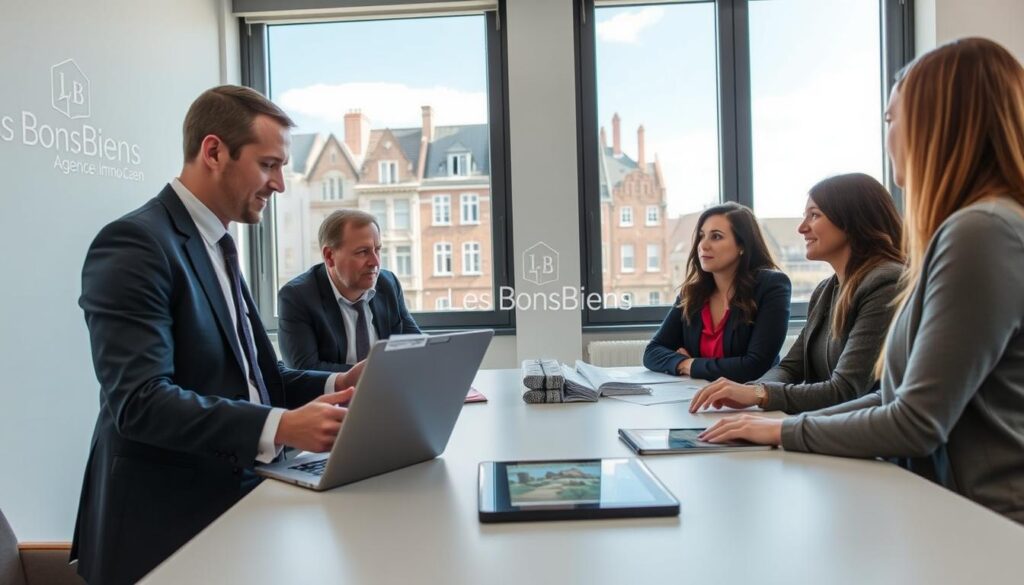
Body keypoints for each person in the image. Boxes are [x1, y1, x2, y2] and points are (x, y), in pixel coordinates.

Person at [700, 38, 1024, 525]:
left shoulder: (981, 231)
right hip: (946, 509)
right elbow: (893, 398)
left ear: (938, 121)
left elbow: (914, 423)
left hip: (984, 526)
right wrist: (771, 421)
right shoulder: (974, 229)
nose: (888, 134)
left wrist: (779, 429)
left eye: (892, 120)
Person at [71, 86, 364, 584]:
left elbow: (256, 379)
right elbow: (141, 402)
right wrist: (282, 426)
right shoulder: (135, 244)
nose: (279, 184)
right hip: (164, 526)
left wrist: (337, 385)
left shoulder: (219, 244)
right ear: (213, 152)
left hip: (239, 500)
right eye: (268, 165)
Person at [690, 173, 904, 414]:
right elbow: (791, 367)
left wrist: (759, 395)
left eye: (814, 215)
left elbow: (845, 390)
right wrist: (751, 391)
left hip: (864, 438)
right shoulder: (826, 290)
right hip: (826, 425)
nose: (802, 228)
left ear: (852, 219)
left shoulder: (886, 283)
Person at [643, 202, 791, 382]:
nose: (703, 245)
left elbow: (755, 366)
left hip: (752, 401)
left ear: (742, 245)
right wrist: (684, 364)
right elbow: (652, 352)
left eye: (716, 237)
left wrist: (691, 364)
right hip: (696, 396)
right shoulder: (692, 293)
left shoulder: (771, 286)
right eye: (701, 236)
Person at [278, 209, 421, 372]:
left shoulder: (388, 284)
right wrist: (377, 373)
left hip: (388, 391)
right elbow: (304, 371)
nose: (375, 262)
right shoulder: (297, 297)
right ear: (330, 256)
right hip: (330, 396)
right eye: (363, 252)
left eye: (378, 250)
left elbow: (416, 347)